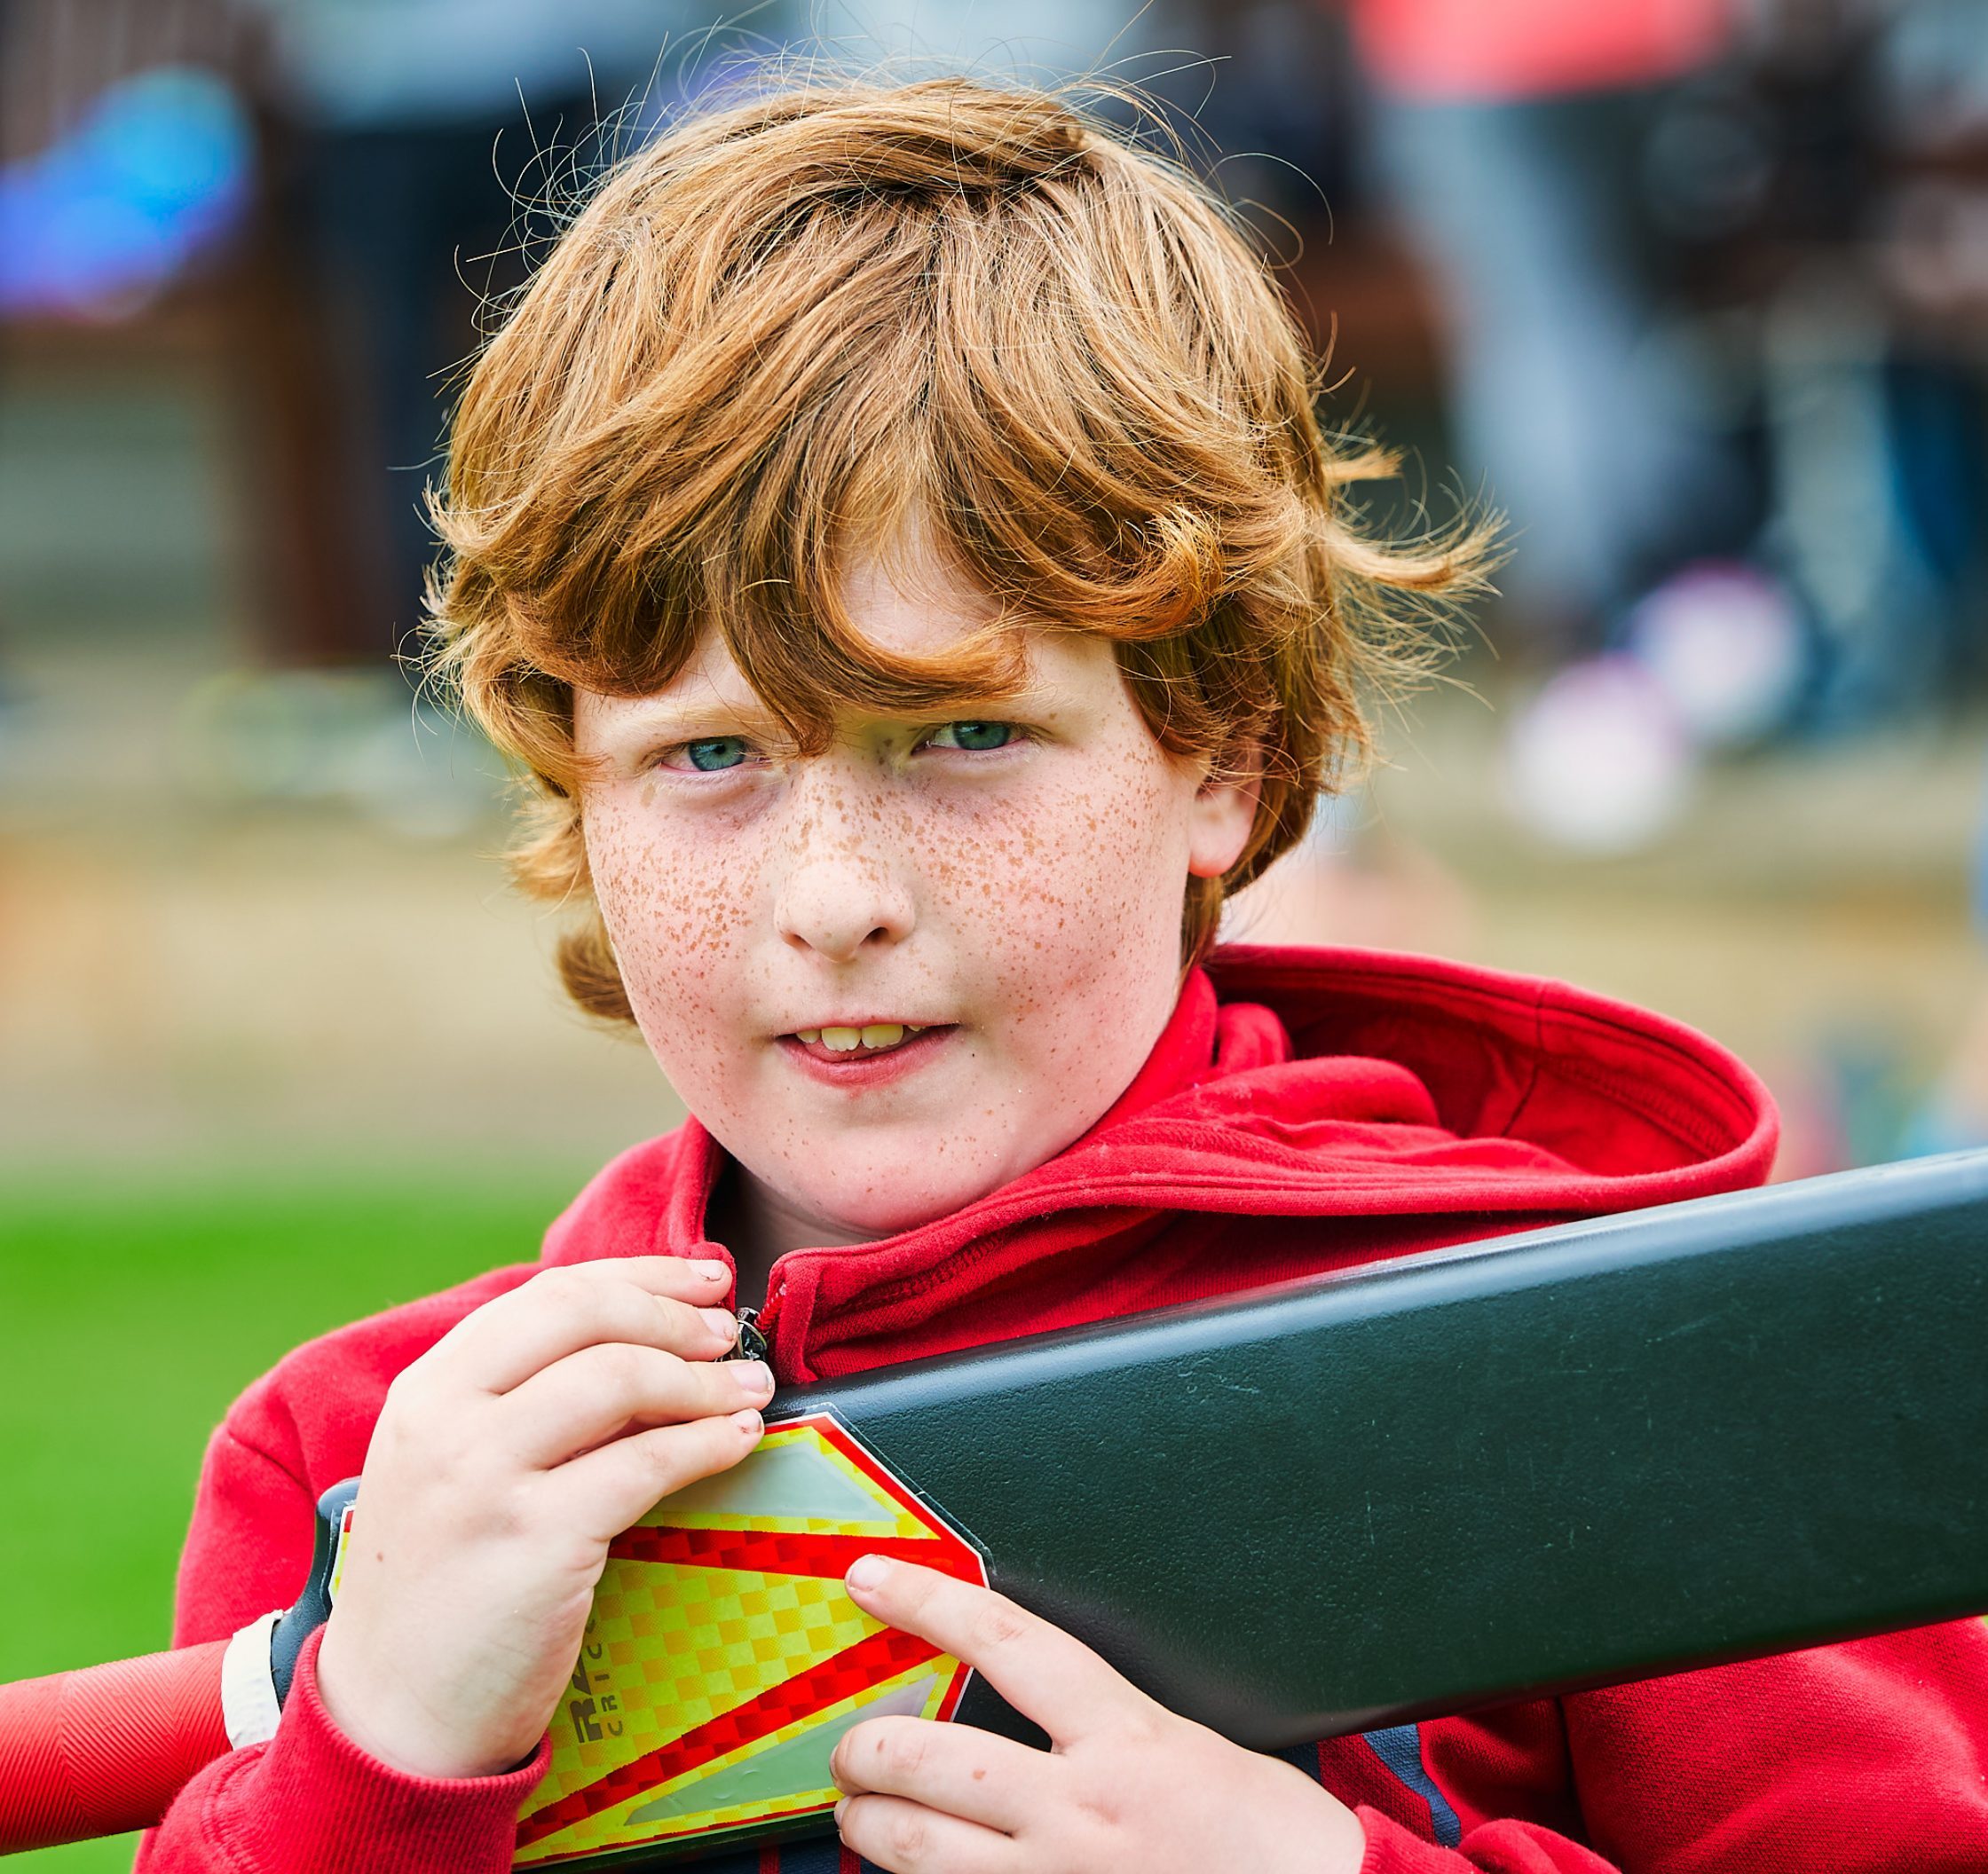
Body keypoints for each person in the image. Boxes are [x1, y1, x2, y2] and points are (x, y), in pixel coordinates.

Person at [137, 75, 1988, 1874]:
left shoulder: (1647, 1377)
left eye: (958, 739)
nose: (834, 896)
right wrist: (380, 1763)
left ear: (1223, 761)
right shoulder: (378, 1467)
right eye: (709, 757)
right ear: (574, 781)